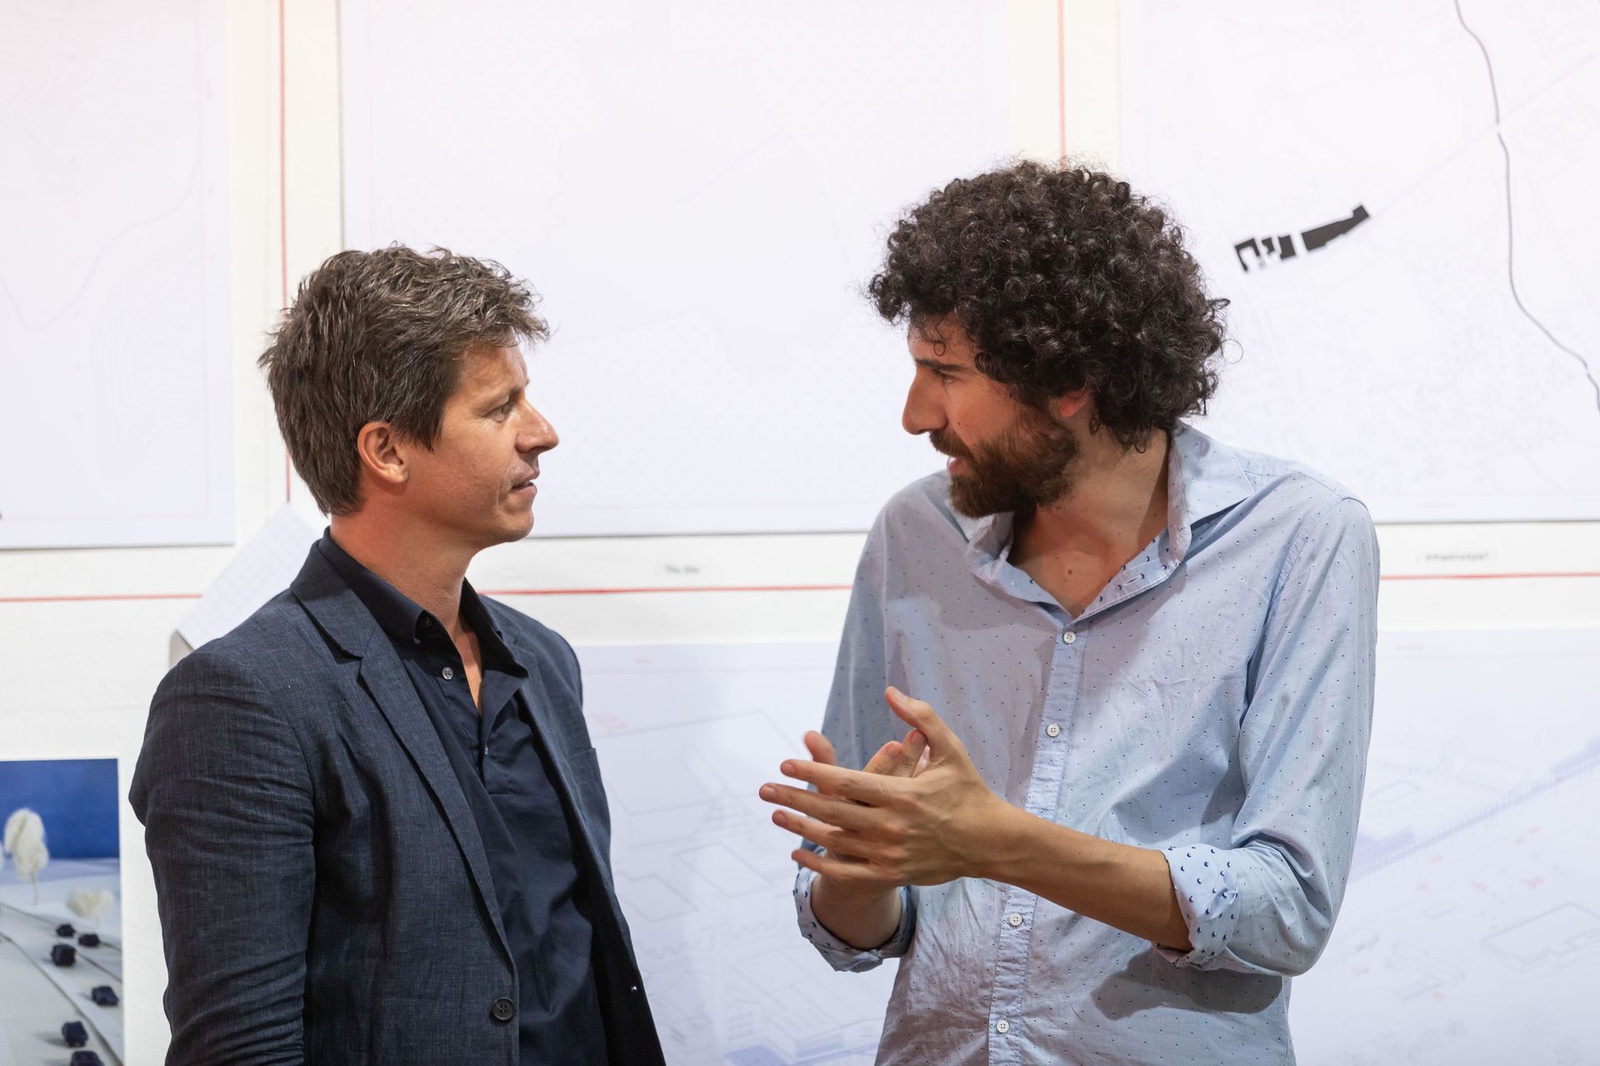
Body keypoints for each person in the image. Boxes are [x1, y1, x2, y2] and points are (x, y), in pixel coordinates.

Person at [759, 161, 1378, 1064]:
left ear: (1070, 380)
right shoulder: (914, 535)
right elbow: (862, 927)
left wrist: (996, 842)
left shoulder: (1300, 537)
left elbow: (1287, 909)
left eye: (944, 372)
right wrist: (859, 868)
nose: (915, 414)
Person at [131, 246, 664, 1065]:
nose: (542, 433)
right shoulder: (242, 696)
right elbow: (240, 1046)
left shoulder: (543, 660)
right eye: (500, 408)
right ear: (386, 451)